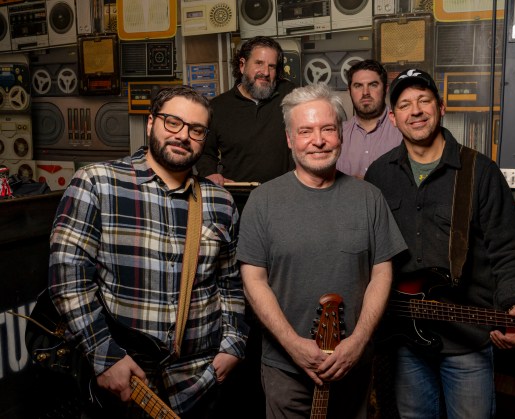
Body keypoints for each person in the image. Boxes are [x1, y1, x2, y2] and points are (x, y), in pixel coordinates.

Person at [48, 85, 248, 418]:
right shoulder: (98, 182)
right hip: (130, 383)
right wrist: (104, 356)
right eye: (173, 122)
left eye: (196, 130)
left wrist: (233, 345)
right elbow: (68, 281)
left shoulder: (220, 201)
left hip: (202, 380)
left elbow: (230, 286)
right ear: (151, 122)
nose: (183, 135)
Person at [364, 69, 515, 418]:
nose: (415, 110)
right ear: (393, 117)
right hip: (404, 338)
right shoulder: (379, 175)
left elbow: (509, 248)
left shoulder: (480, 171)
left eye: (424, 101)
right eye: (404, 104)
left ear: (441, 106)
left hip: (467, 336)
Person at [237, 83, 407, 419]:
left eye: (328, 129)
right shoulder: (263, 201)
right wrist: (292, 345)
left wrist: (358, 342)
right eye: (305, 131)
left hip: (352, 365)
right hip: (285, 370)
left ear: (340, 135)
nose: (318, 140)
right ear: (289, 139)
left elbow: (381, 272)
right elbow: (253, 280)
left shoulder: (368, 198)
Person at [196, 36, 296, 185]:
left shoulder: (291, 95)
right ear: (242, 65)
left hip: (283, 196)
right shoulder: (218, 107)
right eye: (259, 63)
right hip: (238, 198)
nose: (266, 72)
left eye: (272, 66)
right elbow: (205, 153)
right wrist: (210, 174)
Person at [337, 59, 402, 179]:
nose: (365, 92)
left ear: (385, 89)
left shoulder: (404, 130)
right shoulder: (338, 135)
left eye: (373, 85)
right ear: (349, 91)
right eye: (358, 86)